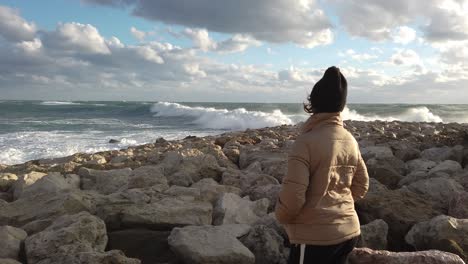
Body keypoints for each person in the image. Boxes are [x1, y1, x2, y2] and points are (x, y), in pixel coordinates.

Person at [275, 66, 369, 264]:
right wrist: (337, 206)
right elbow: (362, 185)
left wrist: (281, 217)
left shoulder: (305, 142)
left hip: (314, 239)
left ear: (314, 103)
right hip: (349, 232)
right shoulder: (350, 139)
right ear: (341, 105)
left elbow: (293, 197)